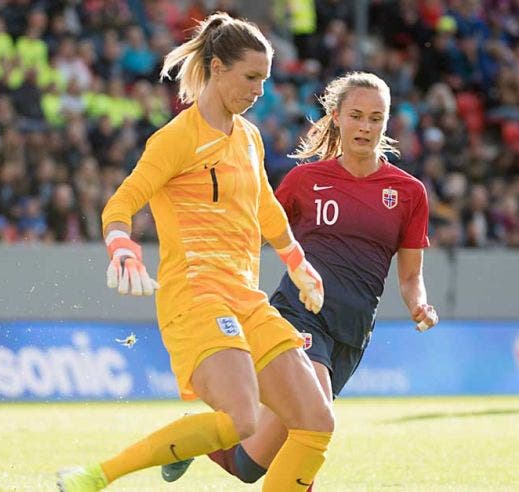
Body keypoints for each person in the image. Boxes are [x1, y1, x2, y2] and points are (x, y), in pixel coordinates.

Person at [56, 12, 335, 491]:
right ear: (217, 68)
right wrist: (122, 247)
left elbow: (265, 206)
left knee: (316, 421)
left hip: (247, 298)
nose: (259, 91)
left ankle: (184, 448)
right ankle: (96, 477)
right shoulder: (175, 139)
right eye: (251, 78)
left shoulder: (248, 136)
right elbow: (122, 202)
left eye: (265, 80)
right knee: (242, 420)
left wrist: (297, 262)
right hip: (196, 295)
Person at [161, 71, 439, 488]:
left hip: (352, 333)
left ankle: (196, 435)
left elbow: (411, 275)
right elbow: (253, 231)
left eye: (375, 118)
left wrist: (419, 303)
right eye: (357, 116)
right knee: (315, 423)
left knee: (248, 466)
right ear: (337, 117)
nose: (365, 127)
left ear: (387, 122)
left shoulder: (408, 192)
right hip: (300, 314)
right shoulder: (305, 182)